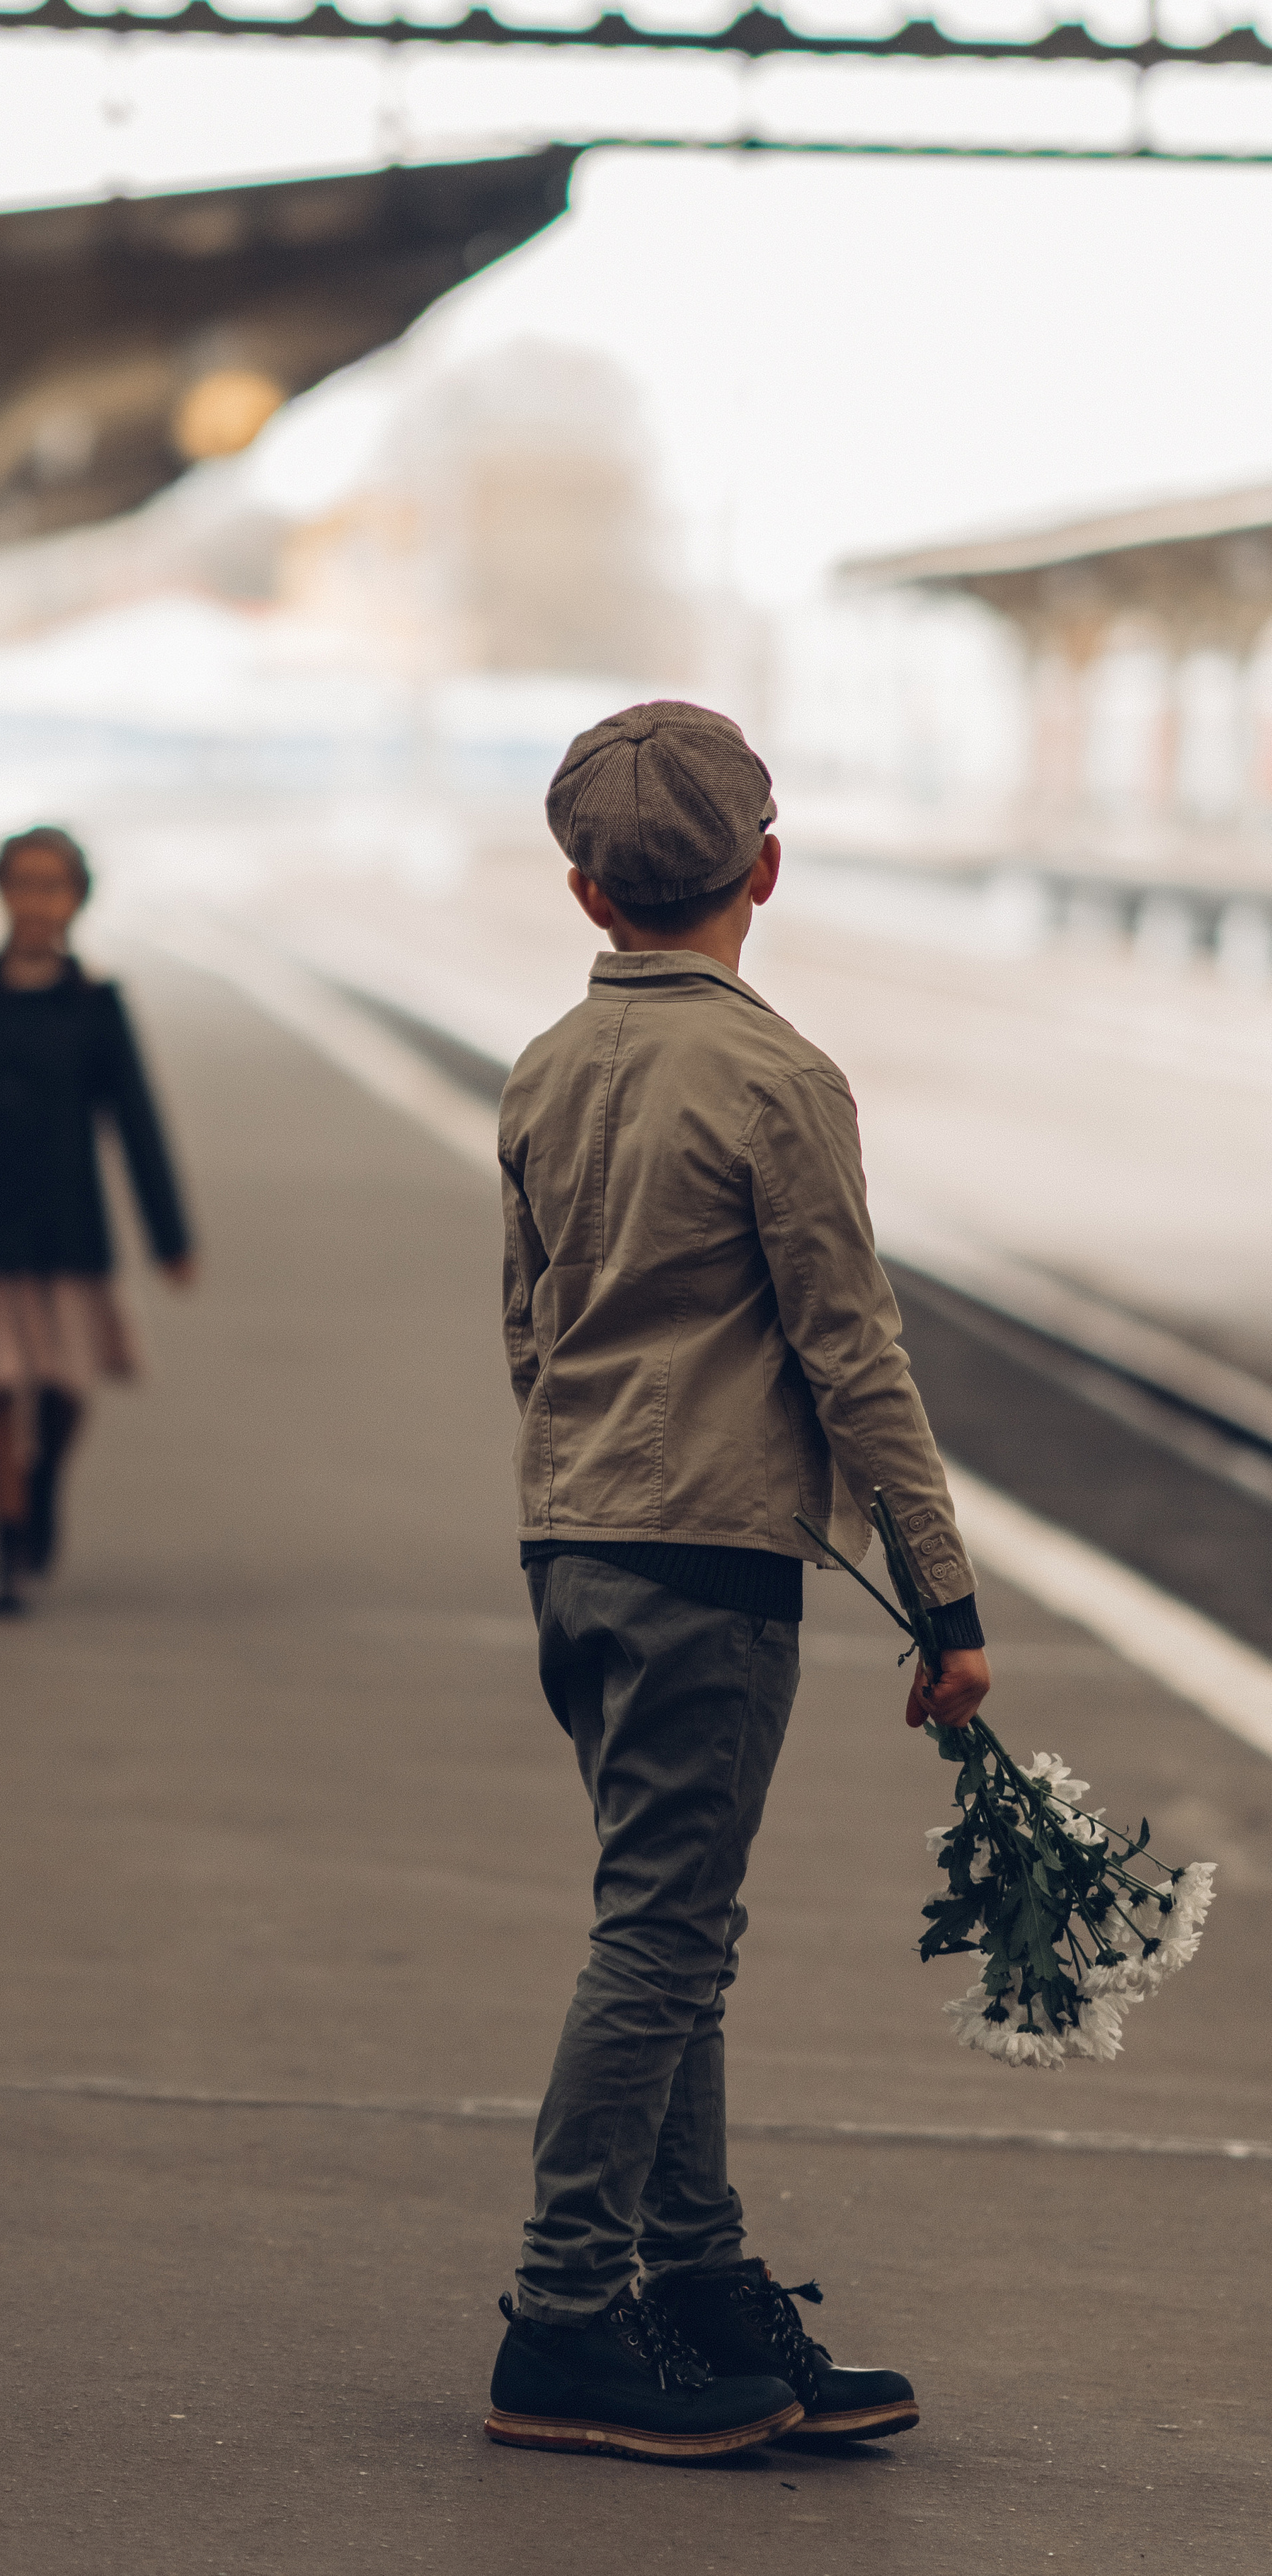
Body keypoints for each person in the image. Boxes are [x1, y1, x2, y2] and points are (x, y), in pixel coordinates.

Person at [485, 702, 992, 2467]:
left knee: (674, 1924)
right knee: (659, 1937)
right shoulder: (777, 1080)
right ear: (762, 870)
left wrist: (574, 1492)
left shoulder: (543, 1068)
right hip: (704, 1554)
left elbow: (525, 1328)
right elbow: (852, 1356)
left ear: (582, 889)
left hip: (573, 1539)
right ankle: (560, 2317)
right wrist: (942, 1600)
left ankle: (695, 2283)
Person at [0, 826, 195, 1615]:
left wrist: (170, 1238)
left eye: (52, 886)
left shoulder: (98, 1008)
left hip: (66, 1233)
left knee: (66, 1389)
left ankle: (42, 1481)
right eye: (23, 884)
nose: (36, 902)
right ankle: (7, 1547)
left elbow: (137, 1123)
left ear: (77, 900)